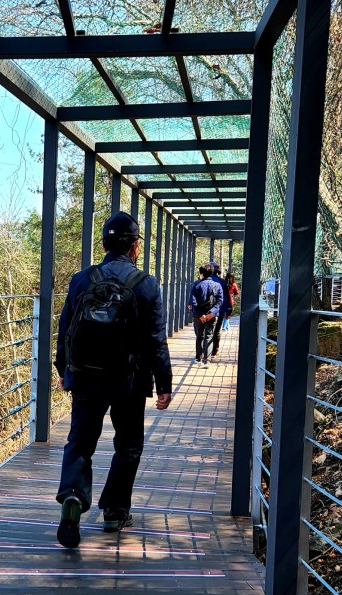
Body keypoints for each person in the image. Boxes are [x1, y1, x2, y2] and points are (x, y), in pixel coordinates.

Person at [54, 211, 173, 548]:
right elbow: (155, 340)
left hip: (86, 377)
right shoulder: (146, 284)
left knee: (80, 441)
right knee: (128, 444)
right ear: (135, 246)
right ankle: (115, 510)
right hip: (129, 380)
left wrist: (64, 370)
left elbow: (65, 329)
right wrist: (164, 384)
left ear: (104, 245)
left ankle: (73, 495)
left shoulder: (82, 279)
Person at [190, 264, 224, 365]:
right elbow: (220, 301)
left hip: (198, 316)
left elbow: (193, 301)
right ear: (212, 273)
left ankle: (198, 357)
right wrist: (212, 313)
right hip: (211, 316)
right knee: (209, 336)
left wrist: (200, 315)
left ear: (201, 273)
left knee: (199, 336)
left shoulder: (196, 285)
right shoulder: (217, 285)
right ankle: (207, 360)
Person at [209, 262, 228, 357]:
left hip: (206, 311)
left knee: (207, 331)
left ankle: (205, 351)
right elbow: (225, 297)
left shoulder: (202, 281)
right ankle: (214, 350)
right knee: (217, 331)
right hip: (219, 310)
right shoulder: (222, 282)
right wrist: (228, 310)